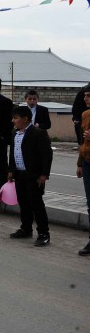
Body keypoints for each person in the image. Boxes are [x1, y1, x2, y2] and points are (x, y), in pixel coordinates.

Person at [7, 106, 53, 246]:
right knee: (24, 203)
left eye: (16, 118)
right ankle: (26, 229)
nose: (13, 121)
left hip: (34, 176)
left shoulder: (38, 133)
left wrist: (44, 174)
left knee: (36, 204)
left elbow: (47, 155)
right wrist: (11, 171)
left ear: (26, 119)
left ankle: (44, 233)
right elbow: (13, 154)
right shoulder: (15, 133)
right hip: (19, 175)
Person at [76, 88, 90, 256]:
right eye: (85, 96)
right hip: (87, 162)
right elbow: (82, 141)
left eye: (89, 96)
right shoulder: (85, 115)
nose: (86, 98)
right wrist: (79, 163)